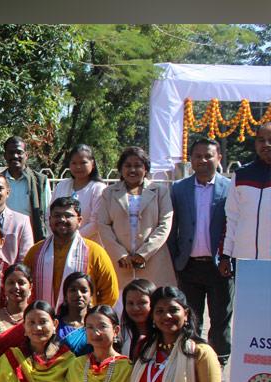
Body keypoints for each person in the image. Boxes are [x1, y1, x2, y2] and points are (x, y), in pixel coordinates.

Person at [169, 138, 234, 366]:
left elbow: (235, 225)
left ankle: (219, 364)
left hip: (220, 267)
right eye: (198, 156)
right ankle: (191, 362)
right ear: (191, 160)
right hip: (189, 266)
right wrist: (176, 261)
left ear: (219, 158)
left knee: (220, 320)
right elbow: (172, 227)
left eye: (209, 156)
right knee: (190, 320)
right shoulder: (178, 189)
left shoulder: (231, 187)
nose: (203, 160)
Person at [96, 146, 176, 289]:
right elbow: (103, 225)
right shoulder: (108, 193)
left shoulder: (160, 192)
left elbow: (165, 224)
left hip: (153, 260)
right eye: (127, 166)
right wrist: (120, 254)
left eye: (138, 165)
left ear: (146, 169)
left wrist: (143, 253)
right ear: (121, 169)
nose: (132, 170)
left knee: (154, 303)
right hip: (120, 262)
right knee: (122, 304)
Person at [22, 196, 119, 308]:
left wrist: (93, 317)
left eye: (68, 215)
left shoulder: (95, 252)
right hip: (43, 320)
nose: (62, 219)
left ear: (79, 221)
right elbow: (25, 283)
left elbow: (110, 294)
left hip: (82, 322)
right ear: (49, 220)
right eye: (57, 215)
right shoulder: (36, 251)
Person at [221, 121, 271, 266]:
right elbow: (232, 217)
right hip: (244, 259)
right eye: (261, 140)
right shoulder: (241, 174)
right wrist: (226, 255)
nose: (266, 144)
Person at [50, 144, 107, 242]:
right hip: (60, 243)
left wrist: (71, 239)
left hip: (88, 243)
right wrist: (57, 236)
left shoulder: (98, 188)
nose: (78, 167)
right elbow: (49, 214)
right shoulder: (62, 185)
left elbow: (96, 223)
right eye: (74, 163)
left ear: (92, 164)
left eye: (83, 162)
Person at [1, 136, 51, 241]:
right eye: (11, 152)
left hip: (32, 239)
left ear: (26, 155)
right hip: (3, 239)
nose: (15, 156)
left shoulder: (40, 181)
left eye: (19, 152)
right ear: (5, 156)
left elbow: (47, 215)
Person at [0, 263, 33, 339]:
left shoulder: (37, 317)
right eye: (11, 283)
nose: (16, 287)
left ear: (30, 287)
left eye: (21, 283)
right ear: (4, 287)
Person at [55, 272, 96, 356]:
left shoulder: (97, 325)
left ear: (91, 296)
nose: (78, 294)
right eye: (73, 290)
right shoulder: (55, 324)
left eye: (84, 291)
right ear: (65, 296)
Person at [120, 278, 157, 359]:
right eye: (130, 303)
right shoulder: (120, 334)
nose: (135, 308)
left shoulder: (163, 335)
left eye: (142, 302)